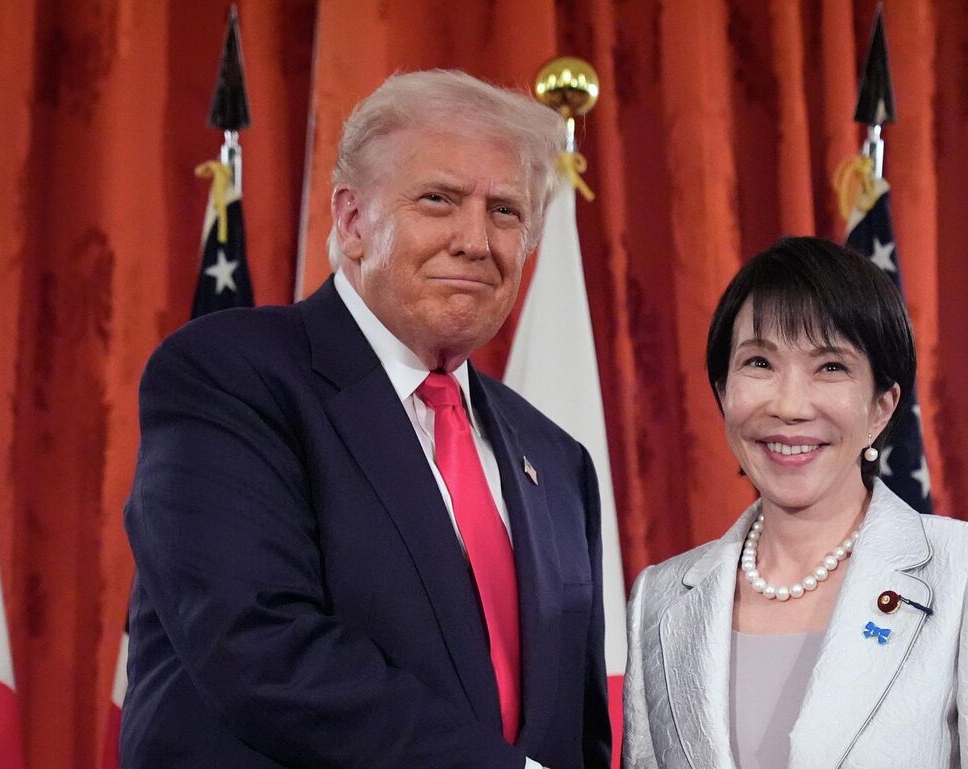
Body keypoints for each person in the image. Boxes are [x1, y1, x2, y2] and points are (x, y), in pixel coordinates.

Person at [121, 70, 611, 769]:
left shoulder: (558, 461)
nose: (476, 240)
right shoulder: (231, 377)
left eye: (505, 211)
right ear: (352, 221)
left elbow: (576, 730)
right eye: (439, 199)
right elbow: (259, 645)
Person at [621, 237, 968, 768]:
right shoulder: (660, 600)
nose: (789, 405)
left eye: (830, 367)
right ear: (723, 392)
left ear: (882, 407)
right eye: (759, 362)